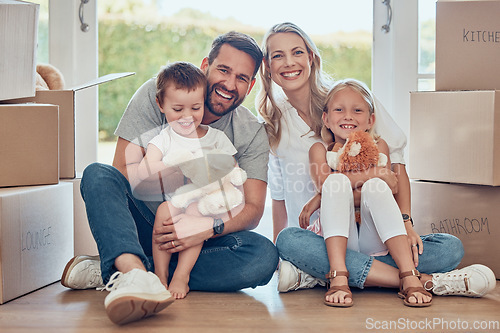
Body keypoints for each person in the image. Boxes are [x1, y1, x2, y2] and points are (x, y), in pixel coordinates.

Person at [257, 22, 495, 299]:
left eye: (297, 52)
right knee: (288, 241)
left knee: (448, 248)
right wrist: (281, 254)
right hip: (320, 239)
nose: (289, 63)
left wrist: (405, 222)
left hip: (376, 230)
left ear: (311, 57)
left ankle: (318, 274)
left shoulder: (351, 98)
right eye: (277, 55)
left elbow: (396, 168)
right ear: (267, 65)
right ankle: (424, 281)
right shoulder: (272, 125)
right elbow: (279, 196)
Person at [60, 31, 279, 325]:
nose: (229, 84)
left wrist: (204, 227)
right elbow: (124, 174)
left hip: (200, 237)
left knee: (263, 256)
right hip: (144, 221)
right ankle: (134, 269)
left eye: (241, 78)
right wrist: (187, 174)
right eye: (223, 70)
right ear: (206, 65)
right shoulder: (162, 92)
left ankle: (123, 269)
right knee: (98, 174)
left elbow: (252, 210)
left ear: (251, 85)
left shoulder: (250, 132)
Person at [307, 78, 432, 307]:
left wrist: (330, 194)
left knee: (449, 247)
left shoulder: (379, 146)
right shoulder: (319, 150)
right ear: (326, 118)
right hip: (341, 242)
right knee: (290, 240)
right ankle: (339, 274)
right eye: (339, 109)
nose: (348, 116)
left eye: (357, 110)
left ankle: (407, 273)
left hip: (377, 238)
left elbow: (390, 186)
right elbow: (326, 186)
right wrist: (371, 174)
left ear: (370, 119)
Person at [136, 62, 245, 299]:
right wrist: (183, 164)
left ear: (203, 101)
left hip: (207, 204)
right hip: (176, 200)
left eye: (195, 108)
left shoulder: (216, 138)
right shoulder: (163, 139)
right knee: (165, 211)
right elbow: (145, 170)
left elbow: (232, 171)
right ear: (160, 105)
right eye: (177, 109)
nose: (187, 117)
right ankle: (160, 274)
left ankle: (181, 275)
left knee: (197, 214)